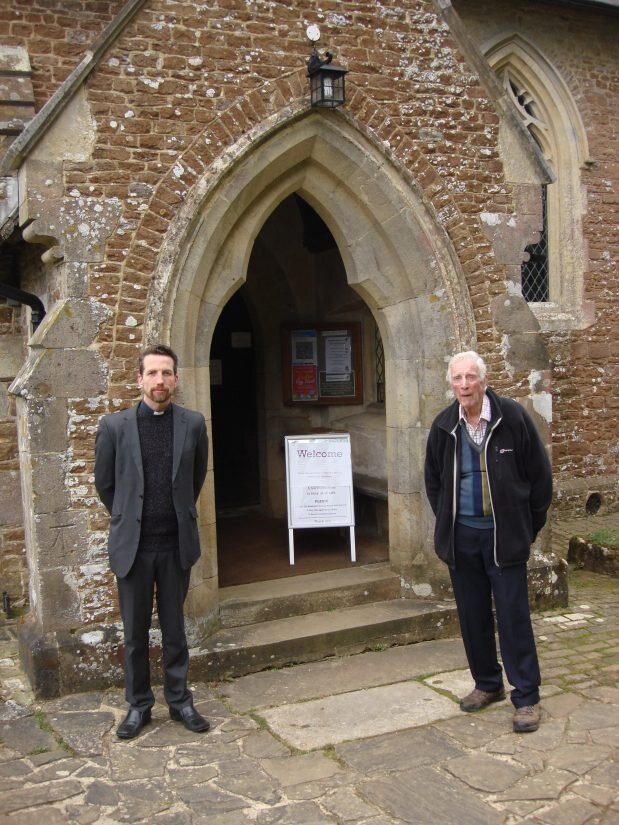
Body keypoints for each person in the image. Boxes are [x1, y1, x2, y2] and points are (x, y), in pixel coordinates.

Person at [424, 351, 552, 733]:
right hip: (463, 537)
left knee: (513, 617)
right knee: (472, 615)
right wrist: (449, 522)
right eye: (458, 378)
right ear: (452, 384)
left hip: (503, 535)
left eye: (470, 377)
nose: (464, 385)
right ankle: (487, 684)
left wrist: (525, 528)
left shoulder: (512, 417)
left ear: (483, 380)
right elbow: (434, 481)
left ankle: (526, 697)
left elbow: (540, 478)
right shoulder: (444, 425)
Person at [95, 343, 210, 739]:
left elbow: (195, 478)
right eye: (153, 373)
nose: (160, 380)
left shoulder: (193, 424)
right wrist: (130, 519)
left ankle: (179, 701)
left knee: (175, 630)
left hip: (175, 546)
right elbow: (105, 485)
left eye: (166, 373)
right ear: (139, 379)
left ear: (176, 379)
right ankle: (139, 705)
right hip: (134, 548)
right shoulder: (114, 427)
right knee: (134, 634)